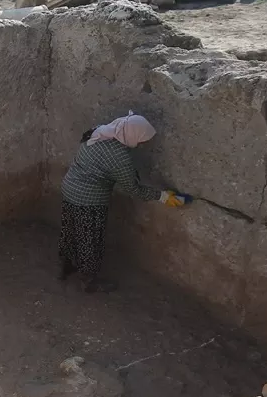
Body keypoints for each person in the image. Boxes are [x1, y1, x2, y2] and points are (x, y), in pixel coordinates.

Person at [58, 113, 190, 293]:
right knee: (91, 239)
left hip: (69, 188)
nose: (143, 144)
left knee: (71, 229)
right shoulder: (119, 156)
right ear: (132, 135)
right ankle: (88, 281)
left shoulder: (100, 131)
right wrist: (163, 197)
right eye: (142, 139)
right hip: (89, 200)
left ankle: (66, 267)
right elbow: (133, 189)